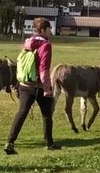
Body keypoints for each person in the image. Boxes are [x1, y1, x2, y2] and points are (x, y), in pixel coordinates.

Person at [4, 17, 61, 154]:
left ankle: (10, 142)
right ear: (43, 30)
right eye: (49, 29)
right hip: (38, 86)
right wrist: (47, 88)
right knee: (47, 114)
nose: (51, 32)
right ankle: (50, 143)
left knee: (22, 113)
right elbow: (43, 69)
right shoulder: (45, 45)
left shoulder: (27, 43)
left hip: (24, 84)